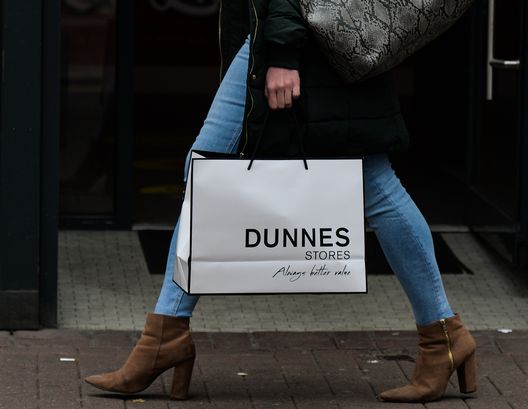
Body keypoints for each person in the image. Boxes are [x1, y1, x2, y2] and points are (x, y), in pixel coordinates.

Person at [84, 0, 477, 403]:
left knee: (365, 181)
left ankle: (166, 336)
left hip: (303, 37)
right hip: (298, 33)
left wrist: (284, 54)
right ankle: (443, 338)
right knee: (360, 180)